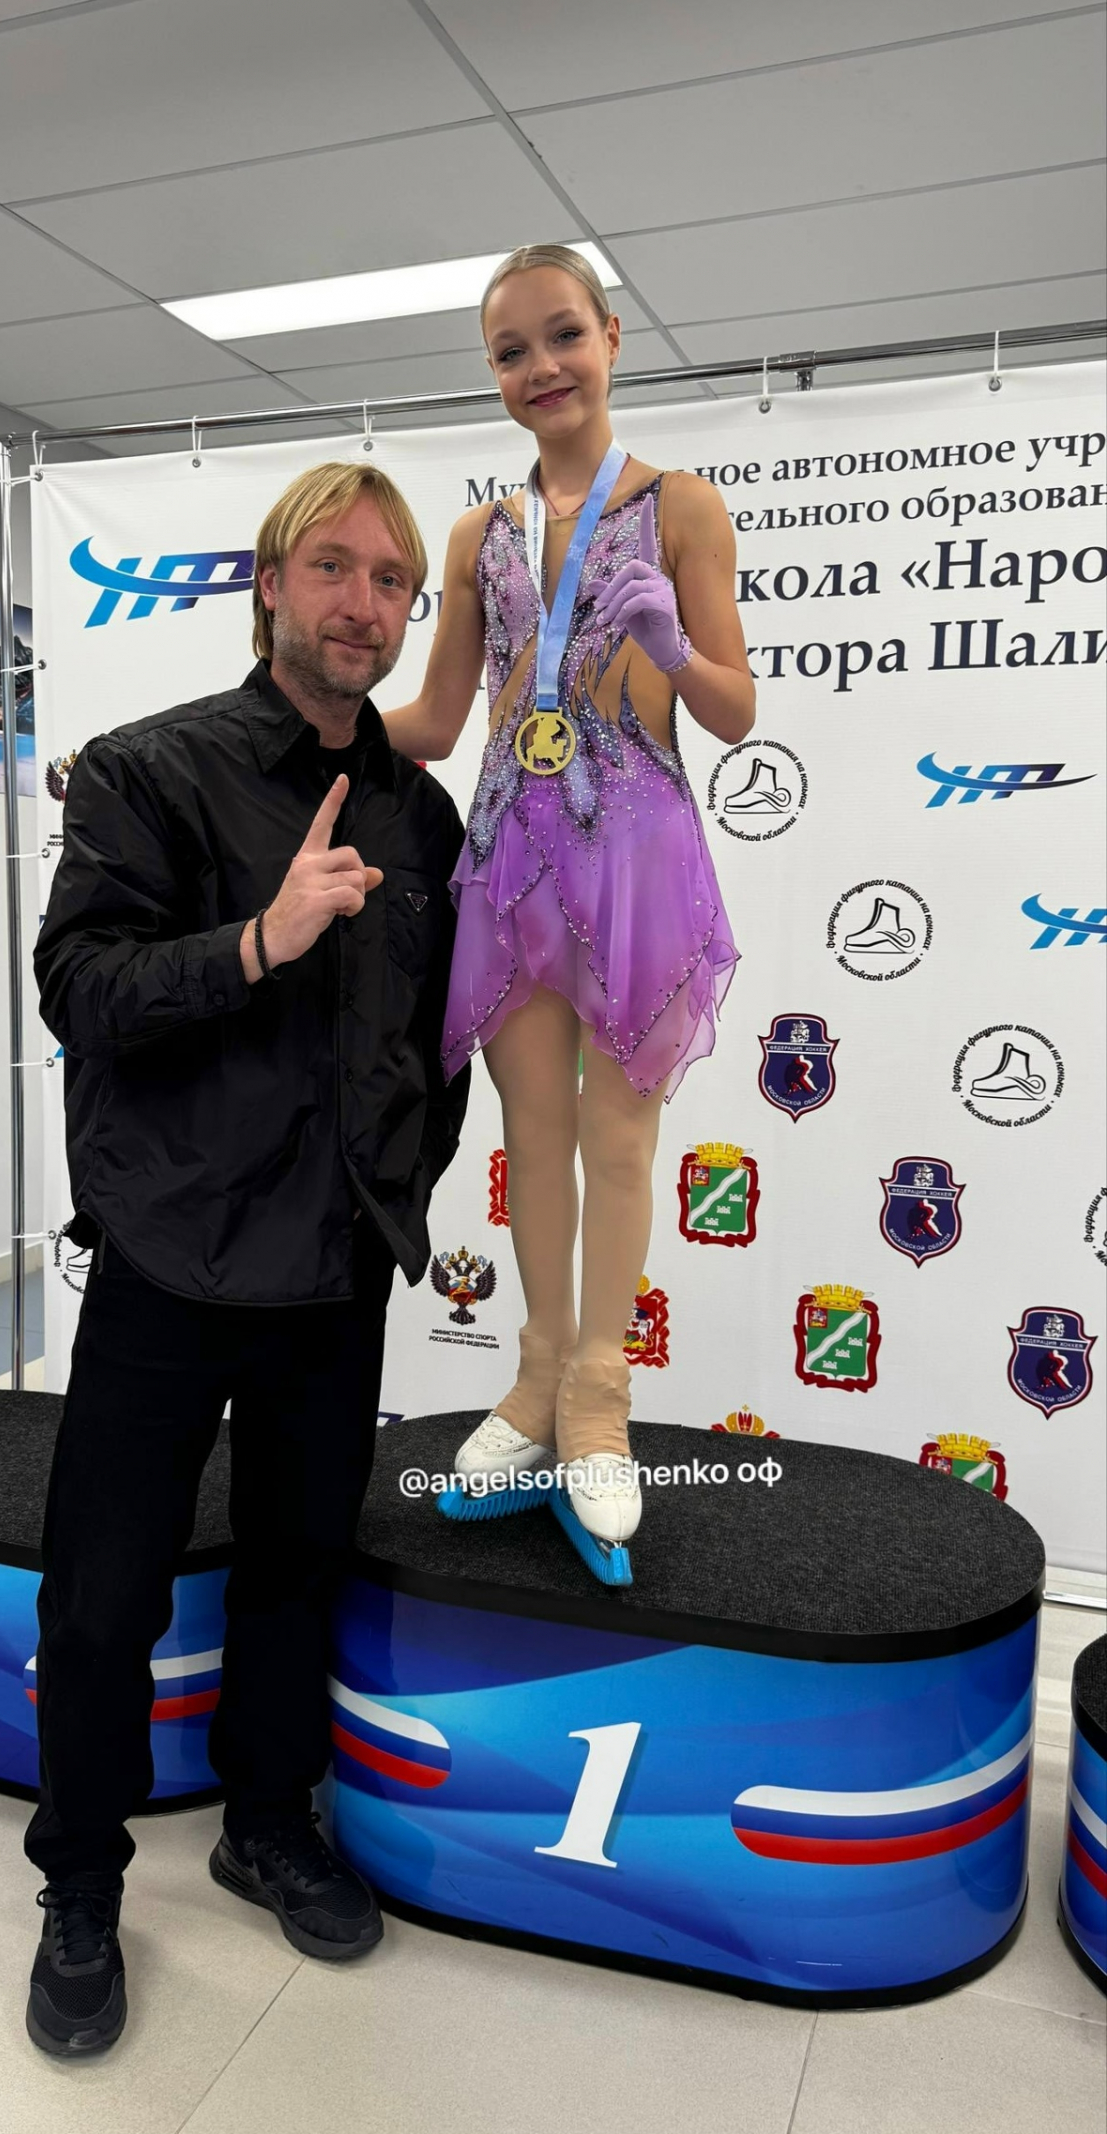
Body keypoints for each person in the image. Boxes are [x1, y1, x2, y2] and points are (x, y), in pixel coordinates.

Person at [24, 461, 469, 2056]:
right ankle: (81, 1881)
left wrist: (396, 1192)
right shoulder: (148, 771)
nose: (363, 604)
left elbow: (431, 1042)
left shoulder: (422, 814)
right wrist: (259, 941)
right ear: (269, 584)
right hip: (169, 1261)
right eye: (333, 567)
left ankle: (267, 1820)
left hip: (332, 1273)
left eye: (392, 581)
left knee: (296, 1570)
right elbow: (79, 986)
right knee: (103, 1596)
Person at [382, 244, 755, 1553]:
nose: (541, 367)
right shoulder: (477, 536)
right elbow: (439, 718)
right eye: (510, 351)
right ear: (492, 373)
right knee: (530, 1137)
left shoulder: (683, 508)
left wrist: (674, 648)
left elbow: (735, 711)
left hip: (635, 857)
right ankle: (535, 1378)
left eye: (562, 336)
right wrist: (292, 717)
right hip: (509, 858)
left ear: (611, 337)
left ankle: (600, 1398)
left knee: (621, 1144)